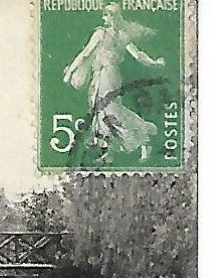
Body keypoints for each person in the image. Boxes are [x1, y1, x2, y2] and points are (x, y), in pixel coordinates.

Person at [63, 2, 164, 164]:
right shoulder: (120, 36)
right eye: (107, 15)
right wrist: (154, 63)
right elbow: (138, 55)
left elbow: (85, 53)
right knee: (102, 111)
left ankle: (143, 141)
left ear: (113, 17)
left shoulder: (103, 34)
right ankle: (108, 152)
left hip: (106, 75)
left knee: (110, 110)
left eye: (110, 15)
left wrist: (69, 73)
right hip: (107, 75)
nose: (108, 18)